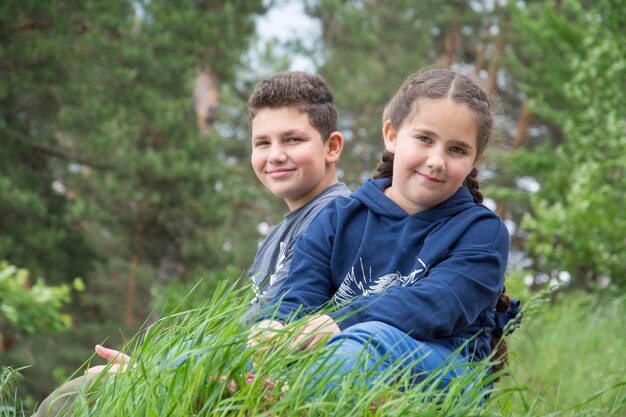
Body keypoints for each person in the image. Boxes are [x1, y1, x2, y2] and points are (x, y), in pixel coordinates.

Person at [32, 71, 350, 416]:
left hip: (260, 385)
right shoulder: (280, 231)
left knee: (73, 398)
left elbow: (283, 338)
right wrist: (148, 367)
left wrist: (149, 375)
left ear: (331, 146)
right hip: (222, 373)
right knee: (80, 390)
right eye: (262, 143)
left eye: (292, 140)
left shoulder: (337, 218)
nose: (274, 155)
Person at [252, 68, 518, 396]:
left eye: (457, 150)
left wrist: (339, 323)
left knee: (364, 344)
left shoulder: (482, 232)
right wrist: (276, 325)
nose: (436, 161)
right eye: (424, 139)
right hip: (339, 349)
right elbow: (301, 293)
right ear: (391, 136)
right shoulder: (337, 218)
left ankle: (291, 394)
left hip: (442, 369)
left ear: (475, 158)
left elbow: (438, 303)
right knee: (217, 348)